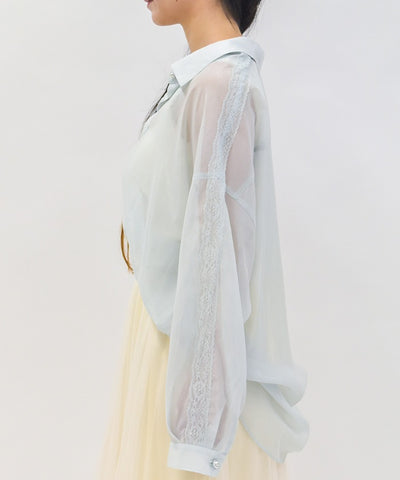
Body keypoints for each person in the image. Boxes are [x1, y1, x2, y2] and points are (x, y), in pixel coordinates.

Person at [96, 0, 309, 478]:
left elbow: (216, 261)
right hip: (174, 340)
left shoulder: (221, 83)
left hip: (192, 358)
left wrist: (197, 433)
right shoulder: (206, 80)